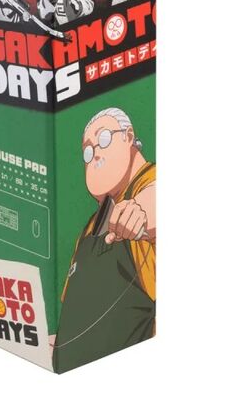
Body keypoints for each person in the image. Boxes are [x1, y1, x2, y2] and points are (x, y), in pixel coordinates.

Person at [50, 107, 156, 373]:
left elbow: (154, 201)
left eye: (104, 138)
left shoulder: (148, 184)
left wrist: (139, 213)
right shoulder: (88, 230)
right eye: (87, 151)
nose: (94, 153)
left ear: (128, 137)